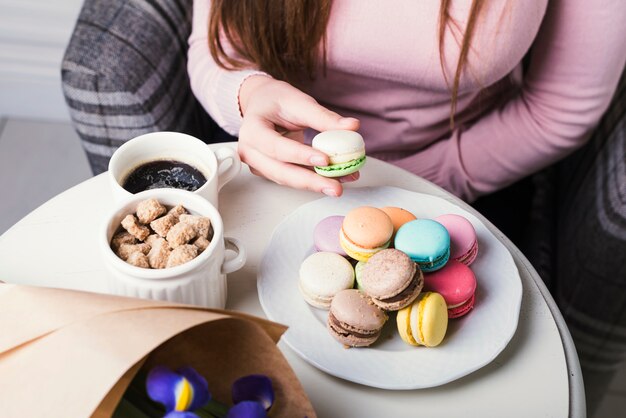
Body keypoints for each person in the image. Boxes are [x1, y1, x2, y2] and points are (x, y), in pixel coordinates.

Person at [187, 0, 626, 415]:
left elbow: (561, 108)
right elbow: (216, 50)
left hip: (455, 182)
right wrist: (247, 94)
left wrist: (403, 183)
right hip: (277, 168)